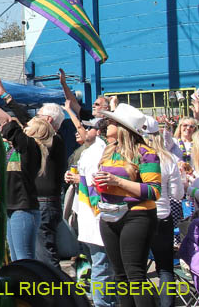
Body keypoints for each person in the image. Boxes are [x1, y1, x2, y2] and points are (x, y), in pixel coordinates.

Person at [94, 103, 161, 307]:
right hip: (109, 215)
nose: (107, 125)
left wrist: (118, 182)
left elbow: (153, 191)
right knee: (120, 275)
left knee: (135, 275)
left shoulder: (145, 152)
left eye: (111, 122)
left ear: (122, 127)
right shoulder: (108, 150)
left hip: (137, 216)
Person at [0, 80, 48, 261]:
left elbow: (7, 121)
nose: (24, 126)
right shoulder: (14, 149)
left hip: (23, 208)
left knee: (24, 258)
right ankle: (20, 288)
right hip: (11, 207)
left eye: (29, 125)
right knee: (16, 258)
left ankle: (30, 289)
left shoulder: (30, 147)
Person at [65, 117, 115, 307]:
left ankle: (107, 301)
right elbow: (96, 188)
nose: (84, 129)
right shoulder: (97, 152)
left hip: (92, 218)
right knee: (102, 266)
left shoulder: (93, 151)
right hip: (97, 218)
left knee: (101, 266)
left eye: (88, 127)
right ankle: (104, 303)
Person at [144, 120, 183, 307]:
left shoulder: (136, 156)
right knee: (165, 267)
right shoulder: (169, 159)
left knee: (136, 268)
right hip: (162, 216)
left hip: (140, 216)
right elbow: (178, 194)